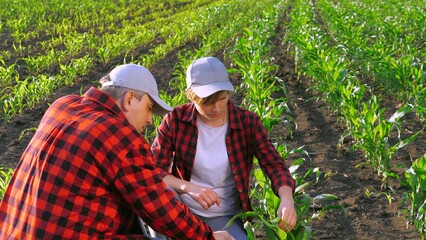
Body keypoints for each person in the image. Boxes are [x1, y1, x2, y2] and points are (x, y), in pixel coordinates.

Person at [0, 64, 234, 240]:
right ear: (130, 99)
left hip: (15, 231)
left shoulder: (62, 106)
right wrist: (209, 236)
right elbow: (159, 207)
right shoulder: (118, 135)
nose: (150, 120)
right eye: (149, 108)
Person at [151, 56, 297, 239]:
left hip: (223, 216)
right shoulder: (176, 120)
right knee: (158, 193)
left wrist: (286, 199)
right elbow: (152, 171)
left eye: (222, 98)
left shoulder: (247, 122)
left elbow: (273, 164)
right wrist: (189, 188)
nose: (216, 108)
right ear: (190, 95)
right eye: (207, 101)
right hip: (181, 211)